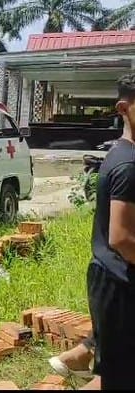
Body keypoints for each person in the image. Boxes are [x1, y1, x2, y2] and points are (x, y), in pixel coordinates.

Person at [87, 73, 135, 390]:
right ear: (124, 108)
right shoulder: (129, 164)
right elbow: (122, 237)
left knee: (116, 373)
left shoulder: (119, 153)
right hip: (120, 285)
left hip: (109, 277)